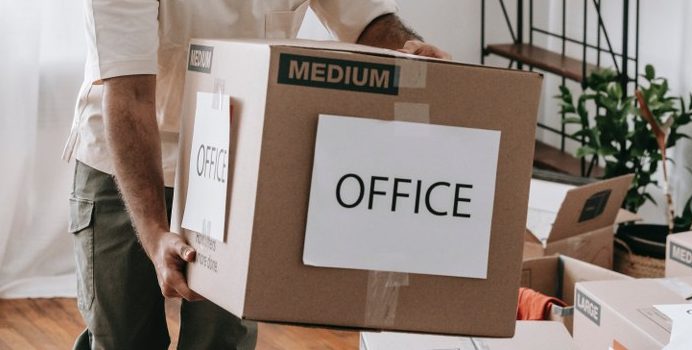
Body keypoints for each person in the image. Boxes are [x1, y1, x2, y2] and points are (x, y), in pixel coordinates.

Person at [62, 1, 449, 349]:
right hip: (122, 163)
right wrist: (153, 232)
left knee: (223, 340)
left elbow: (366, 18)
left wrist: (406, 48)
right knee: (123, 339)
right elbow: (130, 95)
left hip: (234, 163)